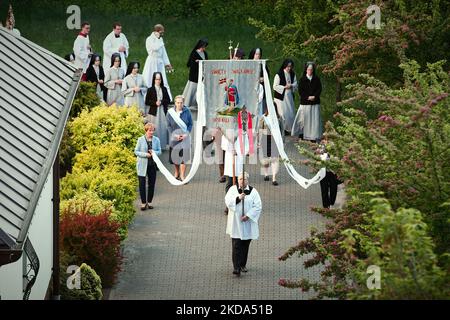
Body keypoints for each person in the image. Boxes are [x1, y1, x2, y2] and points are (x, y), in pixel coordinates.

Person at [225, 172, 262, 277]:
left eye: (244, 179)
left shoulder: (253, 191)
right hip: (236, 223)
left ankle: (242, 264)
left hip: (247, 223)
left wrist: (248, 216)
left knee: (245, 245)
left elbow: (258, 206)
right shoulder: (233, 190)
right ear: (238, 180)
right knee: (236, 245)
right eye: (240, 179)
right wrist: (237, 199)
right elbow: (227, 201)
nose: (242, 181)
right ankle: (236, 267)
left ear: (247, 180)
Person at [293, 62, 323, 142]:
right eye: (308, 69)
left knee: (314, 120)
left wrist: (315, 96)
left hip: (315, 102)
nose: (310, 71)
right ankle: (302, 134)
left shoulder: (316, 79)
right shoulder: (302, 80)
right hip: (305, 103)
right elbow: (301, 91)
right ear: (306, 70)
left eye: (311, 70)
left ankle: (314, 136)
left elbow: (319, 89)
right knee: (304, 119)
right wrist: (307, 97)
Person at [134, 123, 162, 210]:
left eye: (153, 130)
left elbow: (159, 151)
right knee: (142, 184)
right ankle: (143, 203)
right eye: (150, 130)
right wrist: (145, 155)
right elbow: (136, 151)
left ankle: (149, 202)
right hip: (142, 164)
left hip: (152, 165)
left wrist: (154, 153)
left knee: (152, 183)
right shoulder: (140, 139)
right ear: (146, 131)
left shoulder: (156, 140)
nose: (151, 132)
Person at [142, 24, 173, 101]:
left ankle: (166, 97)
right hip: (152, 61)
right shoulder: (149, 39)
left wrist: (167, 63)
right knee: (149, 79)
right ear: (157, 31)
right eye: (161, 33)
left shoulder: (160, 40)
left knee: (162, 79)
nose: (162, 35)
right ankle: (146, 97)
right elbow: (154, 48)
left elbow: (163, 52)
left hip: (159, 61)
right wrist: (160, 42)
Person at [166, 95, 193, 181]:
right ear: (175, 103)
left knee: (183, 158)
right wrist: (174, 135)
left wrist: (186, 134)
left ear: (183, 103)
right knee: (175, 158)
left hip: (185, 138)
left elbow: (190, 124)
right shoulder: (170, 112)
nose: (179, 104)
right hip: (175, 138)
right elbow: (168, 126)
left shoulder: (187, 111)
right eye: (178, 102)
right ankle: (177, 172)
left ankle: (182, 176)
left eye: (181, 102)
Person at [145, 72, 170, 150]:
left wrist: (161, 102)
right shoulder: (150, 89)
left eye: (159, 79)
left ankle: (162, 146)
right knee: (154, 128)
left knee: (162, 128)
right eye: (156, 79)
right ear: (154, 80)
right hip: (153, 112)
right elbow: (147, 101)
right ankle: (153, 146)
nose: (158, 81)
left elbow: (168, 100)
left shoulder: (164, 89)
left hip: (162, 111)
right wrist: (155, 103)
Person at [182, 38, 208, 110]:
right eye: (203, 47)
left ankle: (197, 103)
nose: (204, 48)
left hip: (202, 75)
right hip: (194, 76)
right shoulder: (194, 53)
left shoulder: (205, 53)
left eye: (205, 47)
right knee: (192, 90)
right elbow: (189, 64)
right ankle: (188, 103)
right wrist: (196, 62)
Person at [273, 59, 297, 135]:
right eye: (288, 66)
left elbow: (296, 84)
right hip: (280, 97)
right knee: (282, 113)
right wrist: (284, 87)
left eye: (290, 66)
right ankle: (281, 129)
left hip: (289, 96)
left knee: (290, 113)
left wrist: (292, 85)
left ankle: (289, 130)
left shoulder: (292, 74)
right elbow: (275, 86)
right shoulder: (279, 74)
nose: (289, 68)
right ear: (285, 66)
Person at [258, 110, 280, 186]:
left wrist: (281, 142)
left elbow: (282, 131)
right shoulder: (264, 117)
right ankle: (266, 174)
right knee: (266, 159)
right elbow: (260, 129)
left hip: (275, 140)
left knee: (275, 159)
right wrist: (259, 141)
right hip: (265, 139)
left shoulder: (278, 118)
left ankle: (274, 178)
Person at [318, 139, 342, 209]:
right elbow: (318, 155)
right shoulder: (322, 144)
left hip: (333, 171)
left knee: (333, 187)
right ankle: (326, 206)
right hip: (323, 170)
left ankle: (331, 202)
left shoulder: (336, 145)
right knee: (324, 188)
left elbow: (338, 157)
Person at [248, 48, 270, 117]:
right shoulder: (249, 64)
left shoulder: (263, 64)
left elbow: (267, 75)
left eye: (259, 54)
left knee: (260, 106)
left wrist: (263, 78)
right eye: (256, 54)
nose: (258, 56)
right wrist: (256, 79)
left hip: (261, 88)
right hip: (251, 88)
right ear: (253, 55)